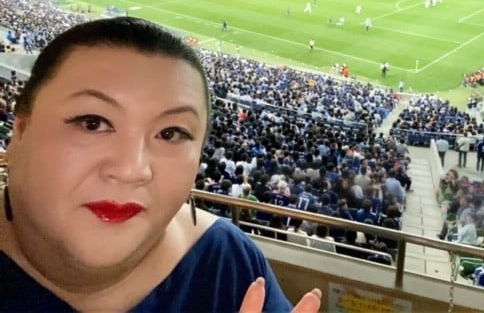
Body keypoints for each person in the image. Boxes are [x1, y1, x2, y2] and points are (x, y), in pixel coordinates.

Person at [0, 17, 321, 312]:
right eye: (92, 122)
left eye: (170, 133)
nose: (131, 170)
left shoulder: (231, 266)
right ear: (20, 131)